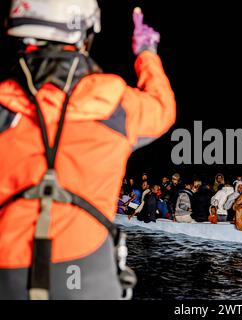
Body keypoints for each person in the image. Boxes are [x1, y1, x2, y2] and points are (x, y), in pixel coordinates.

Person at [0, 2, 175, 300]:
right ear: (84, 34)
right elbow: (163, 108)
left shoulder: (4, 106)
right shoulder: (116, 103)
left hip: (8, 272)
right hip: (85, 274)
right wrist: (147, 54)